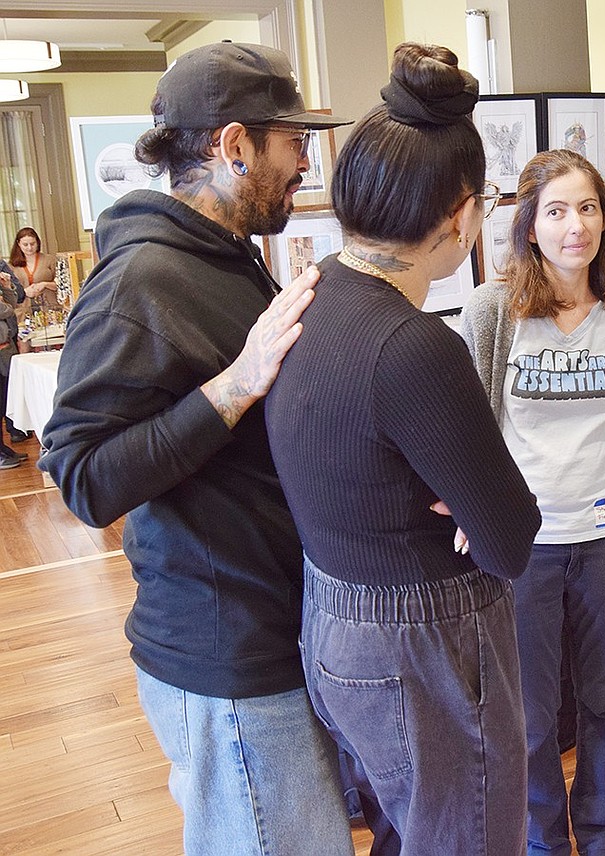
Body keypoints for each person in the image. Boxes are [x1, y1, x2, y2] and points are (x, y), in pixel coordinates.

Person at [39, 42, 358, 856]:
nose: (306, 162)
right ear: (234, 146)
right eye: (294, 142)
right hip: (225, 654)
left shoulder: (231, 258)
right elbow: (82, 479)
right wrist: (236, 383)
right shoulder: (140, 281)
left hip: (277, 630)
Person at [265, 43, 541, 856]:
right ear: (461, 215)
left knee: (402, 830)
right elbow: (510, 537)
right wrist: (478, 497)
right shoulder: (415, 347)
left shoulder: (308, 301)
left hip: (334, 621)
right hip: (423, 646)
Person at [461, 149, 605, 856]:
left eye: (588, 207)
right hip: (524, 549)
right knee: (529, 718)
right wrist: (473, 513)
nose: (575, 226)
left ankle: (602, 836)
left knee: (604, 708)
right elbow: (466, 431)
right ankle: (543, 844)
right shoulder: (493, 311)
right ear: (529, 225)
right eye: (556, 210)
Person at [0, 263, 29, 466]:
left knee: (3, 401)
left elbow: (11, 305)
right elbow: (5, 310)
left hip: (4, 347)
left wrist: (7, 288)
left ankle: (3, 449)